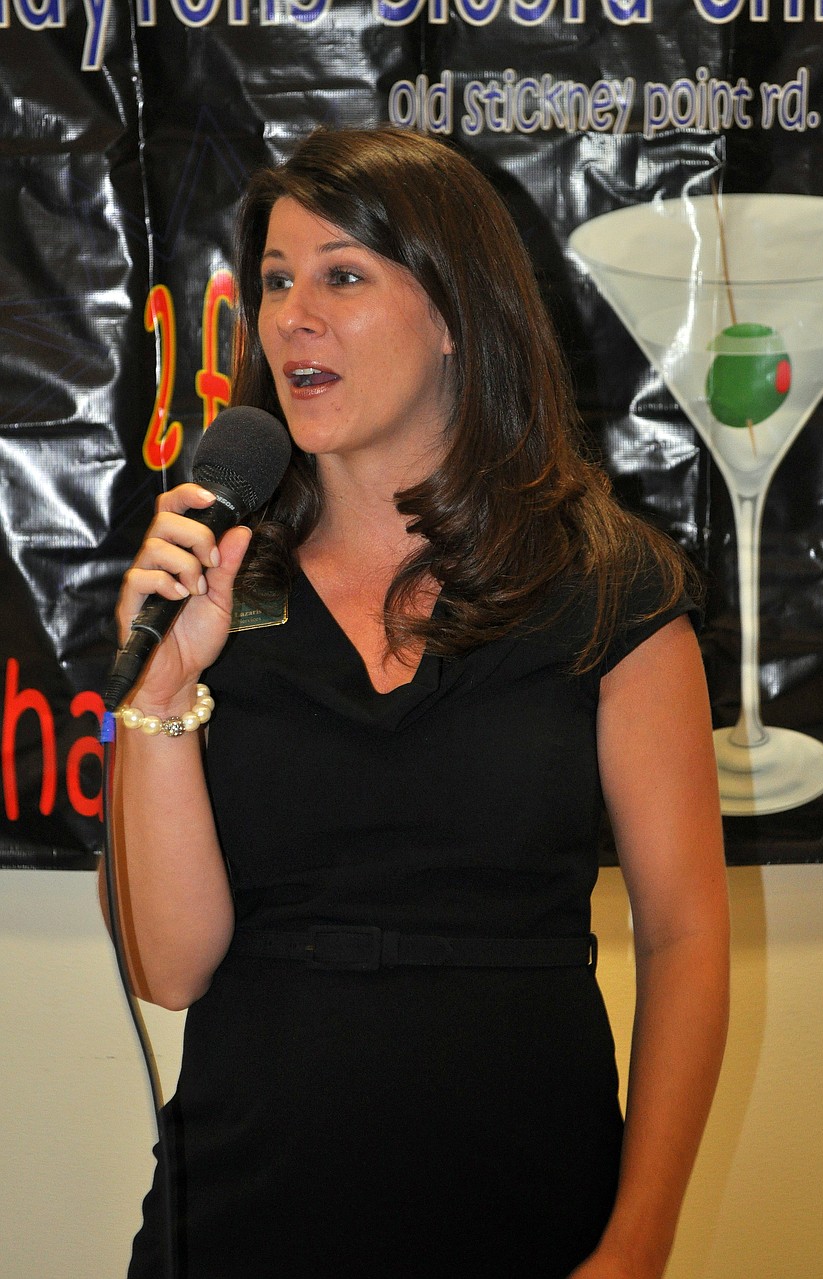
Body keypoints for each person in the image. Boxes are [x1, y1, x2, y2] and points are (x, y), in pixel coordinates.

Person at [101, 126, 729, 1279]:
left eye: (342, 274)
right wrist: (162, 691)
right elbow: (170, 969)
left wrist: (638, 1240)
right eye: (277, 281)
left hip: (536, 1199)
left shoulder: (606, 582)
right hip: (247, 1213)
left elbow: (686, 936)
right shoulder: (215, 584)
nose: (292, 315)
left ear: (452, 311)